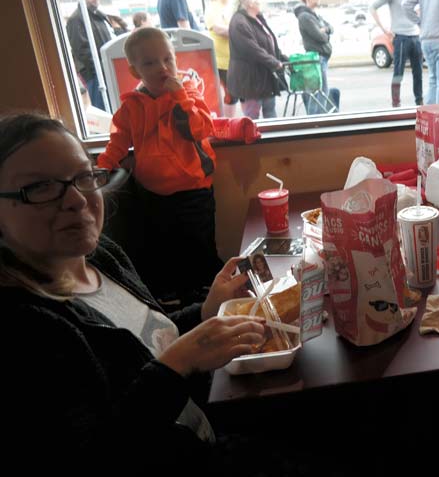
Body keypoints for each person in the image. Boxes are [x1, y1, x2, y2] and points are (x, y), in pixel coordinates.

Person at [0, 113, 266, 473]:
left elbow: (145, 341)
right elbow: (100, 456)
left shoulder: (101, 256)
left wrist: (205, 311)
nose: (76, 200)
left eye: (83, 177)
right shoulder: (25, 327)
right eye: (40, 187)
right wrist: (179, 365)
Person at [96, 27, 222, 303]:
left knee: (199, 248)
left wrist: (180, 98)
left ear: (176, 59)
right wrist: (103, 167)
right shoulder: (132, 107)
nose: (162, 68)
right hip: (152, 193)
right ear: (135, 71)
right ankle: (179, 301)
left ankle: (208, 295)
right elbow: (118, 141)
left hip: (193, 190)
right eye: (150, 63)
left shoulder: (188, 94)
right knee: (166, 250)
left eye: (168, 60)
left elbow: (201, 129)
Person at [369, 0, 423, 107]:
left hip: (415, 36)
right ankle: (396, 104)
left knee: (418, 73)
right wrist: (384, 29)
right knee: (398, 72)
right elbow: (373, 7)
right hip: (401, 38)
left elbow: (418, 9)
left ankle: (419, 102)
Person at [227, 0, 288, 120]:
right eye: (258, 0)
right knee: (252, 117)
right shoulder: (239, 22)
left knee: (270, 111)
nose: (260, 3)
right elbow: (252, 50)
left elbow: (269, 43)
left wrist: (281, 57)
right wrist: (274, 63)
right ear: (250, 3)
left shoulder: (257, 17)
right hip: (250, 80)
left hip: (264, 77)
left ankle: (275, 139)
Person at [66, 0, 123, 111]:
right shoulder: (76, 19)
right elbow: (81, 50)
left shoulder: (99, 17)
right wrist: (98, 70)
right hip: (95, 74)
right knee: (103, 109)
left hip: (106, 71)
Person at [294, 0, 334, 115]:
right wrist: (324, 32)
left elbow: (330, 27)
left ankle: (316, 119)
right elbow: (320, 37)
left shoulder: (314, 14)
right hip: (317, 57)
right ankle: (315, 120)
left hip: (321, 57)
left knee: (320, 92)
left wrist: (325, 30)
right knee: (320, 92)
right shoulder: (305, 16)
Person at [204, 0, 238, 118]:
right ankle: (228, 123)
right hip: (222, 62)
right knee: (230, 95)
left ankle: (237, 122)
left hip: (238, 58)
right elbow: (217, 29)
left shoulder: (235, 6)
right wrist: (238, 31)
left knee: (240, 94)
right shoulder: (212, 7)